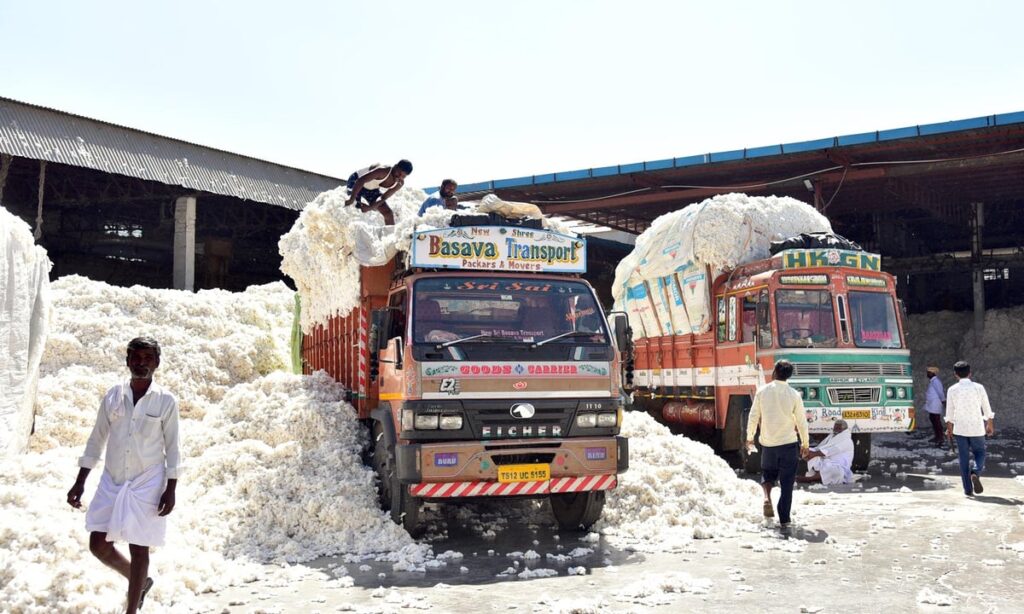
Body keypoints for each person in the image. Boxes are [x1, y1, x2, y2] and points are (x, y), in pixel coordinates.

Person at [66, 337, 181, 613]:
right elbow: (96, 440)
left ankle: (131, 610)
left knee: (139, 547)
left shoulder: (166, 400)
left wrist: (171, 488)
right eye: (136, 358)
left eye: (147, 358)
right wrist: (80, 481)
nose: (141, 363)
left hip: (148, 482)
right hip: (112, 479)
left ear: (157, 363)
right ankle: (139, 581)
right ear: (127, 360)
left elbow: (174, 447)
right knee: (98, 544)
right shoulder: (113, 396)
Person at [746, 359, 810, 528]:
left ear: (774, 372)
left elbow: (753, 416)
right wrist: (805, 444)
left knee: (767, 475)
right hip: (789, 445)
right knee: (787, 484)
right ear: (788, 376)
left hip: (768, 444)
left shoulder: (762, 392)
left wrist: (750, 437)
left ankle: (767, 498)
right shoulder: (794, 395)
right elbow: (802, 422)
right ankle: (784, 520)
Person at [944, 360, 994, 497]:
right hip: (977, 427)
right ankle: (975, 472)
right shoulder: (979, 387)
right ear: (970, 373)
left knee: (964, 459)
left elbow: (949, 413)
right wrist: (990, 423)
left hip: (960, 429)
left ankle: (967, 489)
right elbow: (986, 407)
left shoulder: (952, 390)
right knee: (980, 453)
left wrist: (949, 429)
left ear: (955, 374)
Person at [344, 160, 414, 225]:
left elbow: (383, 197)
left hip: (371, 189)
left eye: (403, 176)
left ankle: (390, 236)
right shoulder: (383, 171)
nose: (399, 176)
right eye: (399, 173)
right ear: (395, 166)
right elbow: (361, 180)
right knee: (354, 206)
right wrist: (351, 199)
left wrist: (370, 207)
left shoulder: (400, 183)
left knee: (388, 213)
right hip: (356, 181)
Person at [798, 420, 854, 485]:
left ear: (844, 430)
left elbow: (832, 450)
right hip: (826, 460)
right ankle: (818, 476)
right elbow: (821, 447)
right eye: (835, 428)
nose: (836, 430)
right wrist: (809, 452)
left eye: (838, 428)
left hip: (839, 466)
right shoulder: (832, 436)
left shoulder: (847, 441)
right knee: (810, 451)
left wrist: (814, 454)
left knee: (834, 470)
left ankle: (810, 479)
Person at [923, 366, 947, 446]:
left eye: (928, 372)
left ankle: (940, 437)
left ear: (932, 373)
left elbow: (940, 392)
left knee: (936, 421)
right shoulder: (933, 381)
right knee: (933, 419)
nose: (927, 374)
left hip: (935, 404)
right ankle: (937, 436)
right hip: (932, 404)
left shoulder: (936, 381)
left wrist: (943, 401)